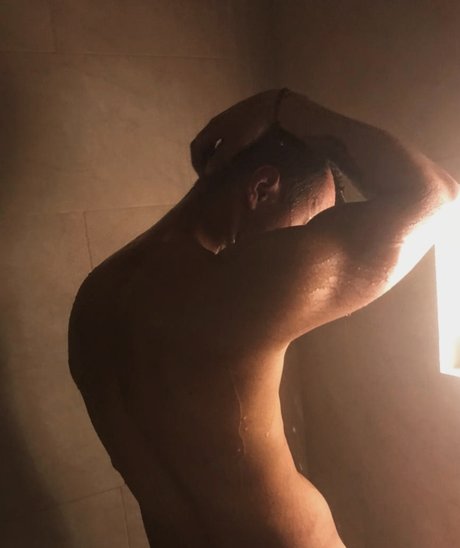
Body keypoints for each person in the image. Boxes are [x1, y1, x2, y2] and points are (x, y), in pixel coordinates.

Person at [67, 88, 459, 547]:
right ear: (261, 188)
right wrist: (280, 106)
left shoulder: (95, 296)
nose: (303, 239)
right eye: (310, 222)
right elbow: (437, 195)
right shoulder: (236, 287)